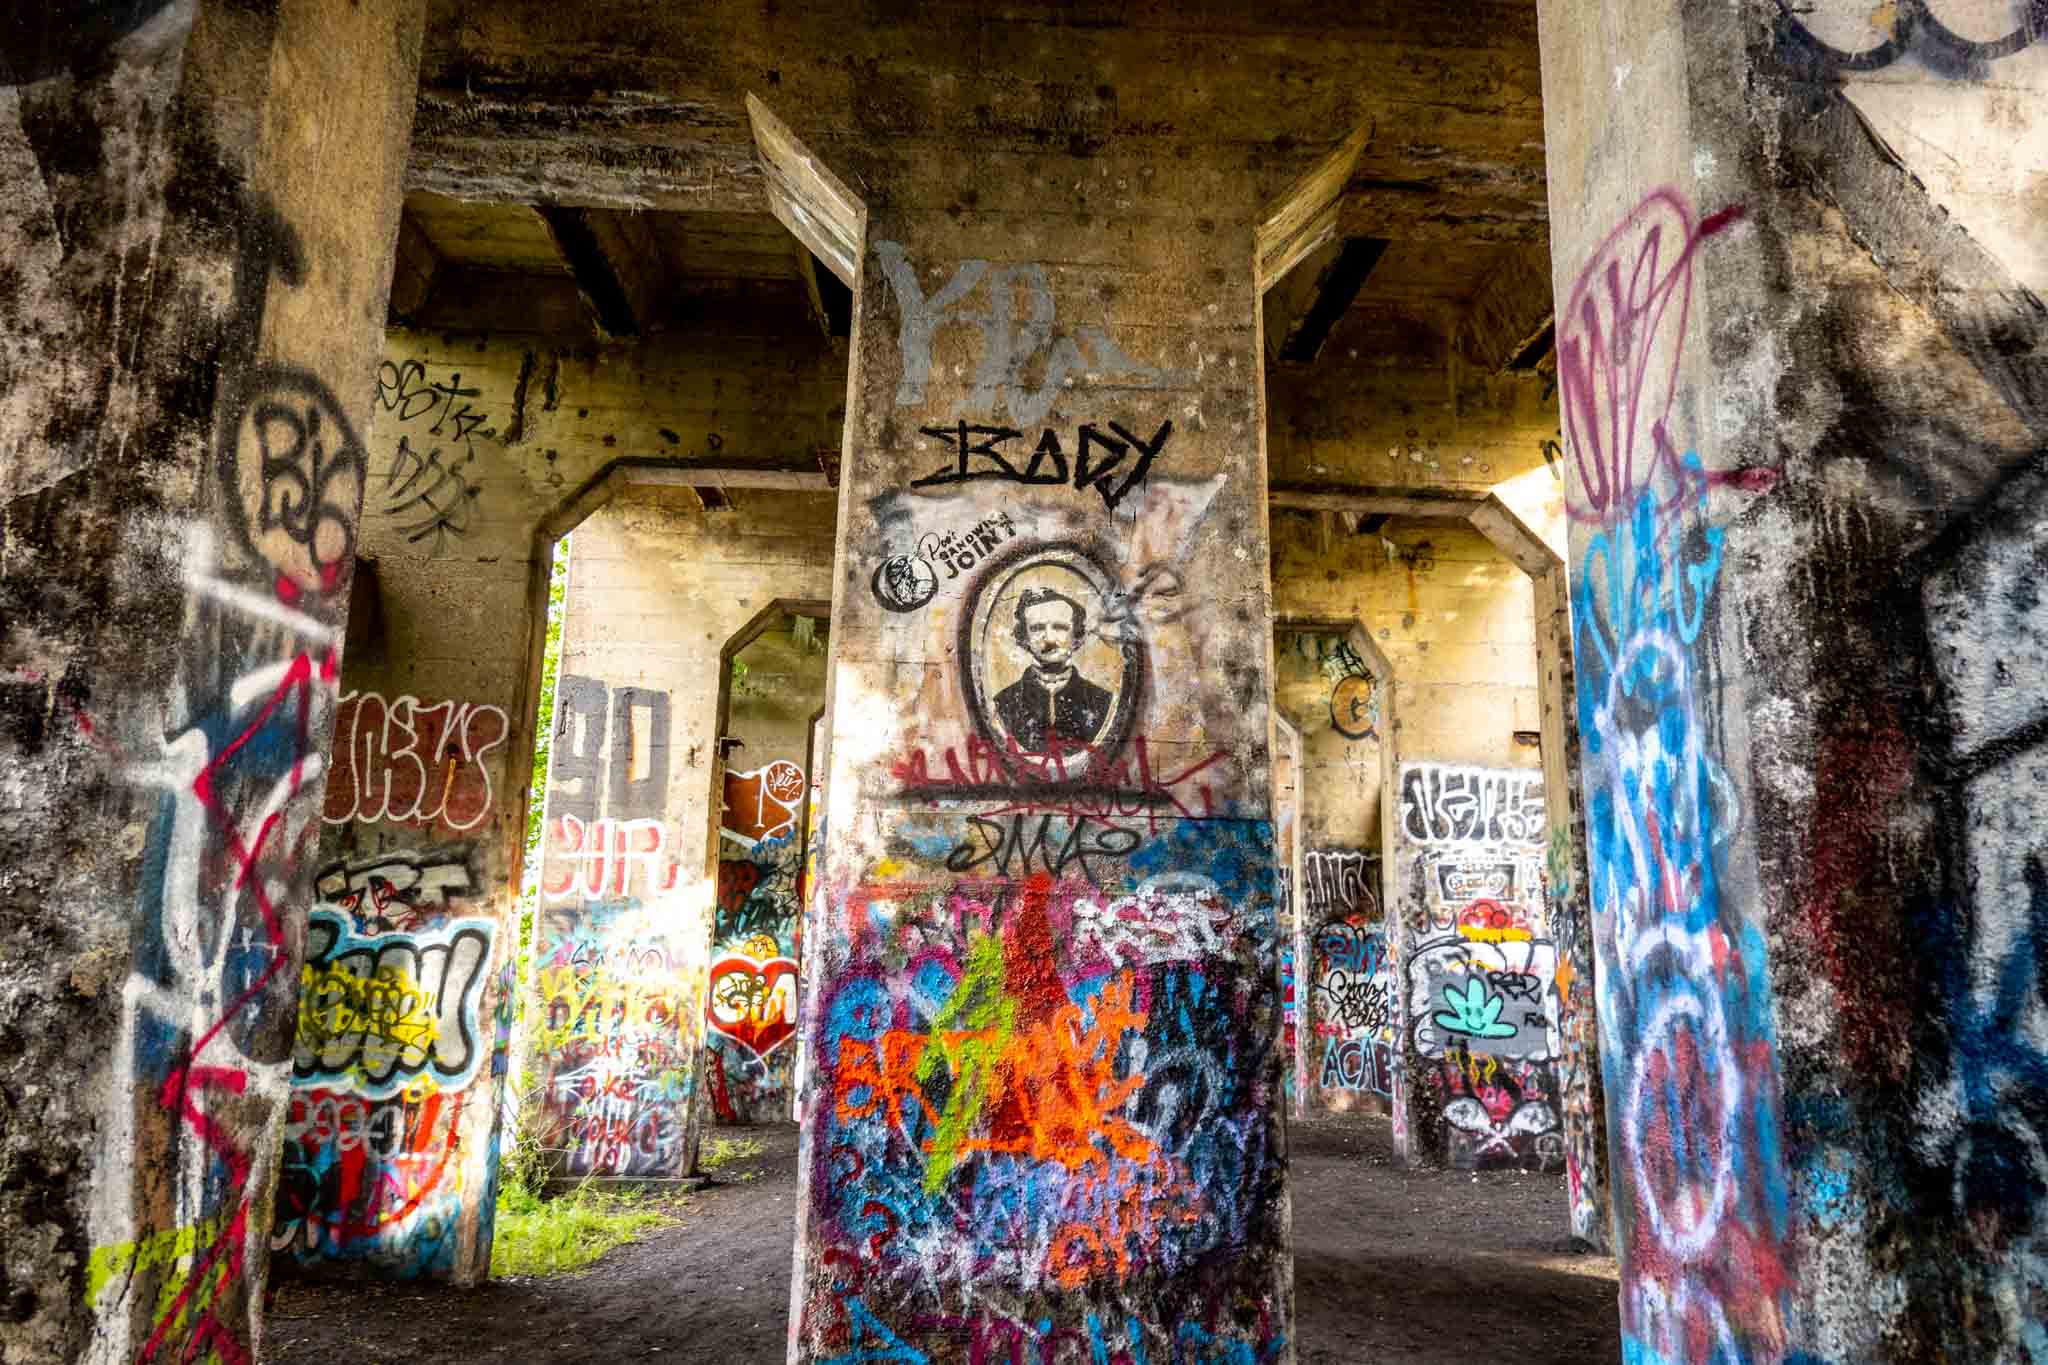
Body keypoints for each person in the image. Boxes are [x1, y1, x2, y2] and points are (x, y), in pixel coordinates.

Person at [993, 585, 1112, 751]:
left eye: (1060, 627)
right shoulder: (1003, 703)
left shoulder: (1102, 701)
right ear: (1024, 637)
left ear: (1077, 636)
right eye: (1037, 628)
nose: (1049, 639)